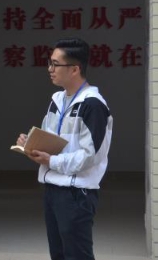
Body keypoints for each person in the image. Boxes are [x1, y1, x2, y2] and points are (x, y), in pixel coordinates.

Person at [15, 37, 113, 260]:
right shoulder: (57, 99)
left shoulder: (93, 104)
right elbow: (49, 138)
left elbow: (91, 156)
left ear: (75, 69)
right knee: (58, 253)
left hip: (76, 193)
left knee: (77, 254)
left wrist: (51, 161)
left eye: (55, 64)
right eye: (49, 63)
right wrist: (30, 144)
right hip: (53, 188)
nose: (50, 69)